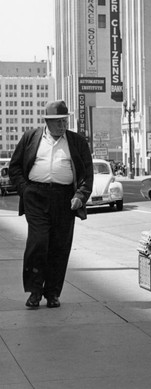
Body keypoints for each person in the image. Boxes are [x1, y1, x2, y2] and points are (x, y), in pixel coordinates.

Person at [9, 100, 93, 309]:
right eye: (57, 122)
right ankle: (34, 292)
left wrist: (80, 196)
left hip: (65, 200)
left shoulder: (77, 142)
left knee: (59, 247)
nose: (62, 125)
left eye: (65, 121)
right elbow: (15, 167)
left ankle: (53, 293)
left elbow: (86, 175)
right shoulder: (31, 138)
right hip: (36, 197)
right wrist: (25, 190)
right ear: (47, 121)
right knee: (38, 243)